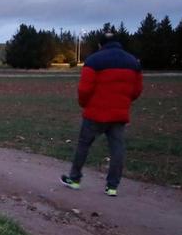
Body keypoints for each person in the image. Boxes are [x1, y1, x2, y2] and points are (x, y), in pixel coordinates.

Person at [60, 32, 143, 196]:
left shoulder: (93, 60)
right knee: (117, 149)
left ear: (100, 45)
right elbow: (136, 90)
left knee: (83, 145)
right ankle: (112, 186)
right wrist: (124, 101)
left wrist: (84, 104)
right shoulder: (133, 62)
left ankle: (75, 179)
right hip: (119, 114)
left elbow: (84, 89)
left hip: (95, 112)